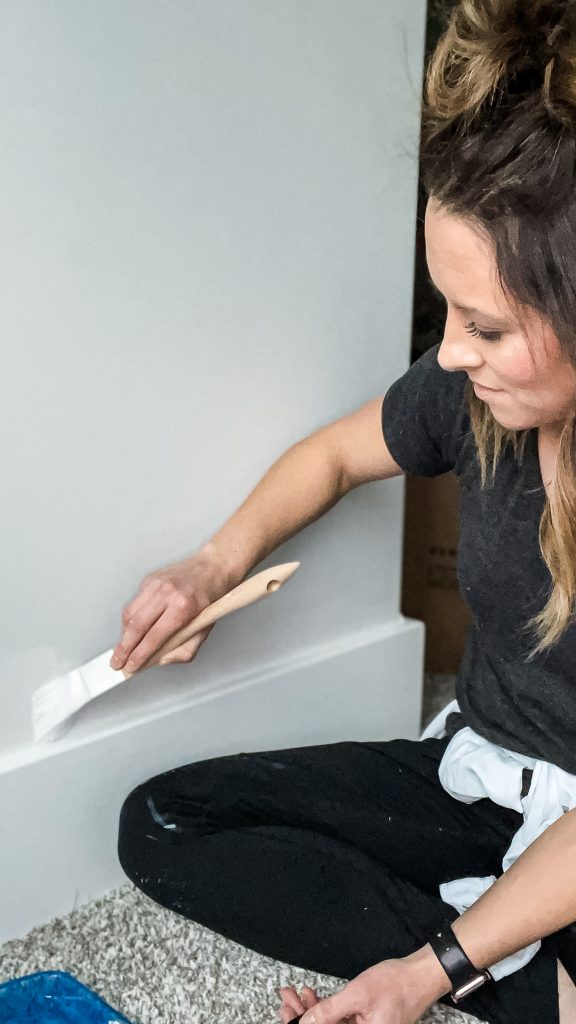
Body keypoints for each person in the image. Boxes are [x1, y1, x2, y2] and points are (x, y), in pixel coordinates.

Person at [114, 1, 576, 1021]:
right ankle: (522, 973)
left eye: (487, 327)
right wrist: (212, 564)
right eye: (447, 311)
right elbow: (331, 456)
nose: (450, 350)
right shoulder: (472, 393)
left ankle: (482, 956)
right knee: (165, 824)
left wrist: (424, 974)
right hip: (479, 774)